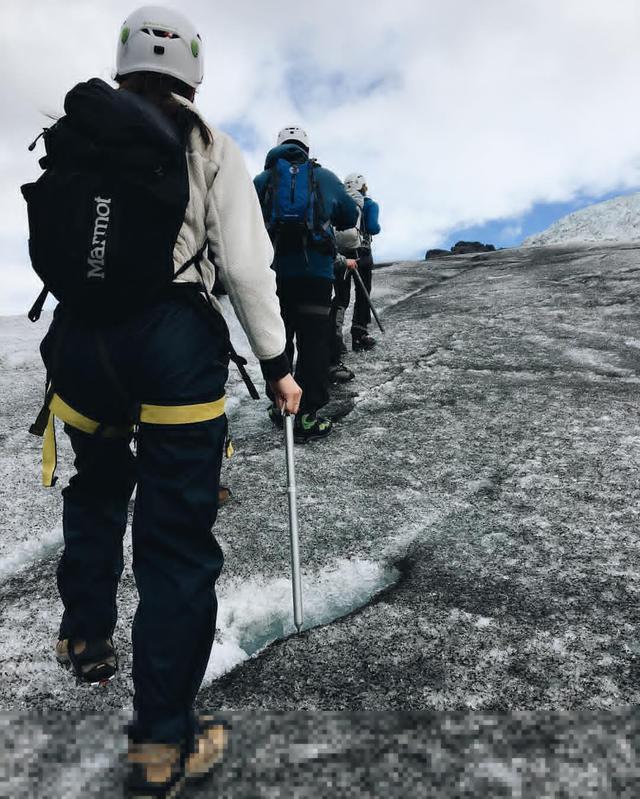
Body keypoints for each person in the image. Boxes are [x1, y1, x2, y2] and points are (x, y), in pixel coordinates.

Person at [29, 7, 301, 798]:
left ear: (122, 65)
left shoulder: (79, 135)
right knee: (175, 541)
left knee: (100, 484)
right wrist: (278, 363)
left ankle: (85, 635)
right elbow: (249, 271)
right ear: (194, 69)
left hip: (82, 344)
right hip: (170, 344)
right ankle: (160, 747)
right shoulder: (211, 147)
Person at [254, 126, 358, 441]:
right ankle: (307, 415)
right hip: (316, 276)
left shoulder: (262, 180)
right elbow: (350, 215)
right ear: (307, 149)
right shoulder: (324, 177)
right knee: (314, 343)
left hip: (276, 275)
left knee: (278, 340)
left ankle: (279, 402)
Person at [337, 173, 382, 351]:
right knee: (363, 294)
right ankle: (359, 335)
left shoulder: (338, 203)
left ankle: (335, 339)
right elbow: (373, 228)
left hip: (341, 255)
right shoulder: (369, 204)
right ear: (363, 186)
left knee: (341, 296)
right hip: (361, 253)